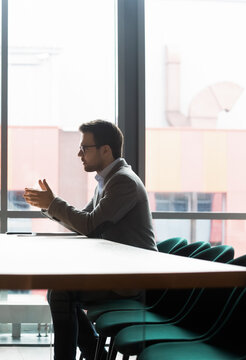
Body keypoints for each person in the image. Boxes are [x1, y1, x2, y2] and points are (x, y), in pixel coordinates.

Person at [23, 120, 156, 360]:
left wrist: (53, 204)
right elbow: (85, 224)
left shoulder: (123, 181)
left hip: (131, 280)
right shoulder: (109, 181)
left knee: (61, 292)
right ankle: (94, 351)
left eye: (85, 148)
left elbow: (89, 225)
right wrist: (50, 206)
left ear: (106, 150)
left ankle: (89, 352)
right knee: (60, 291)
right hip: (119, 273)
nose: (79, 153)